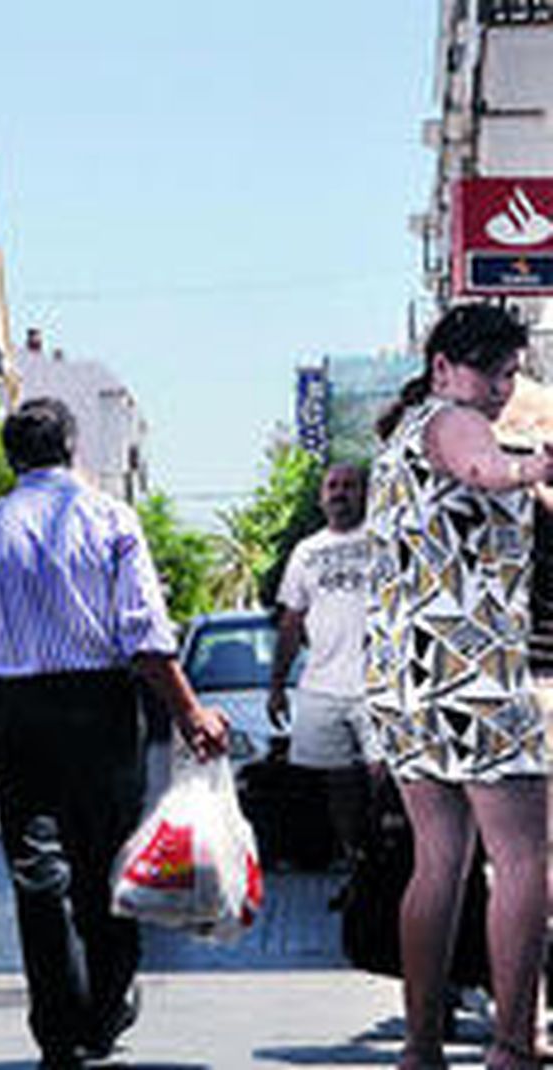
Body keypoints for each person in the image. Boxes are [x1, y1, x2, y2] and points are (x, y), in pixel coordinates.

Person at [0, 397, 228, 1069]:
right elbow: (145, 636)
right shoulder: (112, 518)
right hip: (101, 706)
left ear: (11, 459)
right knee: (106, 862)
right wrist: (189, 711)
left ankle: (59, 1032)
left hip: (20, 709)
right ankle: (106, 1008)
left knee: (38, 872)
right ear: (74, 449)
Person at [365, 303, 551, 1070]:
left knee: (438, 860)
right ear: (443, 367)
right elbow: (481, 465)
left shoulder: (399, 440)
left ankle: (420, 1045)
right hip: (474, 675)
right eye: (491, 370)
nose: (502, 389)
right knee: (524, 861)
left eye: (511, 373)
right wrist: (530, 469)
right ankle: (511, 1043)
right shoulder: (453, 418)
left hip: (407, 683)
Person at [267, 462, 378, 884]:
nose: (340, 493)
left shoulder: (383, 541)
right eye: (332, 486)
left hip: (378, 689)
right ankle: (357, 863)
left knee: (383, 777)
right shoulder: (305, 552)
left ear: (365, 494)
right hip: (321, 687)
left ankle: (387, 855)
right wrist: (277, 687)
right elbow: (291, 622)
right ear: (321, 497)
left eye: (350, 486)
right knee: (337, 784)